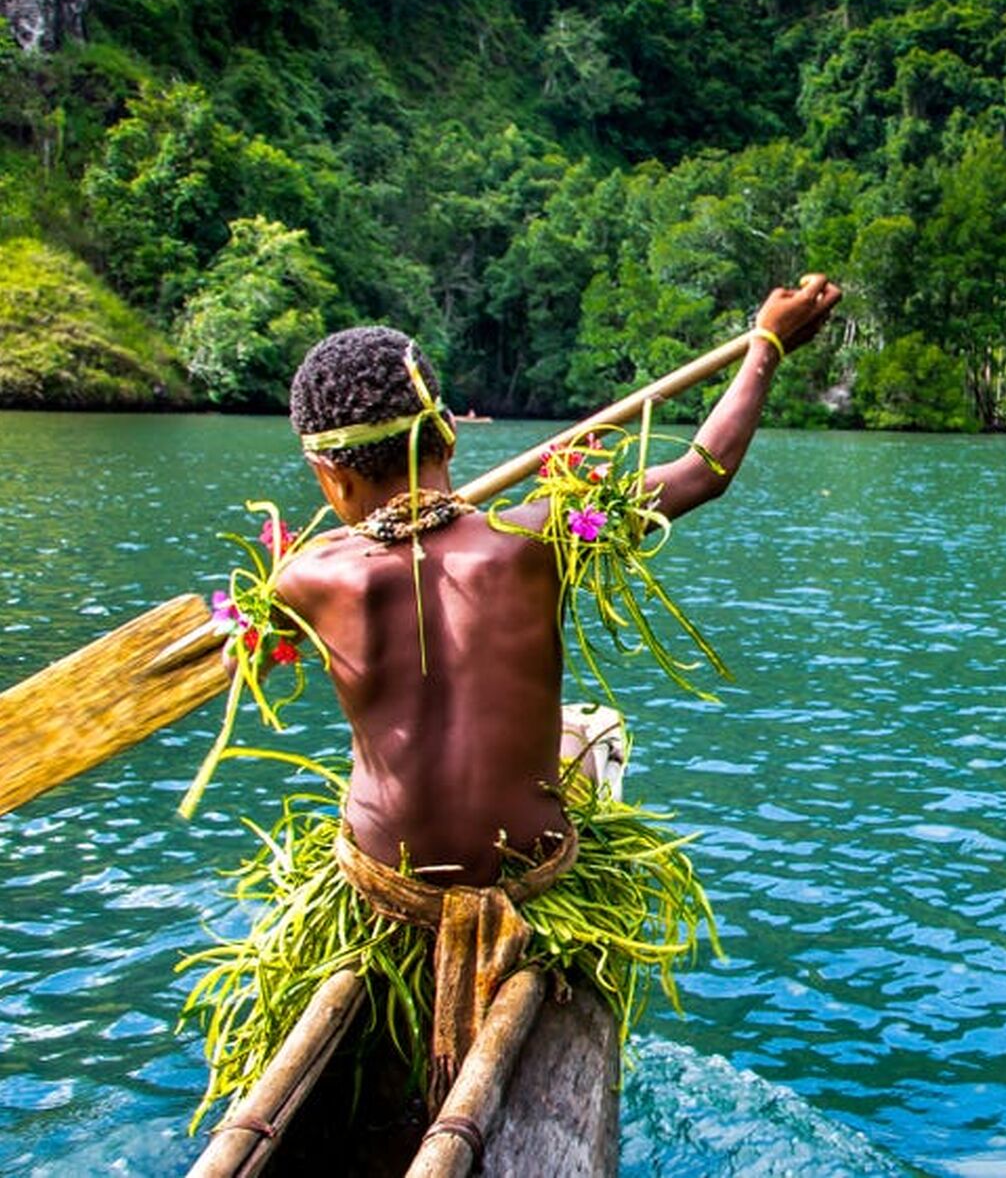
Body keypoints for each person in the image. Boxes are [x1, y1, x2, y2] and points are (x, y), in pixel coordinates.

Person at [184, 274, 841, 1129]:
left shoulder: (304, 579)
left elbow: (274, 616)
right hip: (528, 882)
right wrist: (765, 346)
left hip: (385, 890)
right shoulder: (537, 538)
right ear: (449, 433)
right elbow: (702, 471)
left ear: (325, 474)